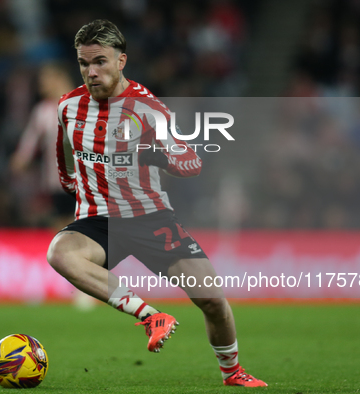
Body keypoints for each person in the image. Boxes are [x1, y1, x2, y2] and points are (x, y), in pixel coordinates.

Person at [46, 20, 267, 387]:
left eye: (100, 61)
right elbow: (64, 157)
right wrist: (75, 187)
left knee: (212, 300)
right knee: (60, 252)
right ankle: (150, 316)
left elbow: (191, 163)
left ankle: (232, 372)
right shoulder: (68, 107)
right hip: (98, 220)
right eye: (84, 64)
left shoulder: (149, 110)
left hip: (150, 219)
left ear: (121, 61)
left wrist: (152, 154)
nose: (91, 71)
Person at [10, 63, 76, 230]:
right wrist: (20, 161)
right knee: (62, 230)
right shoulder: (43, 111)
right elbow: (27, 146)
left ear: (59, 78)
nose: (41, 85)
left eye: (44, 80)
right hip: (57, 183)